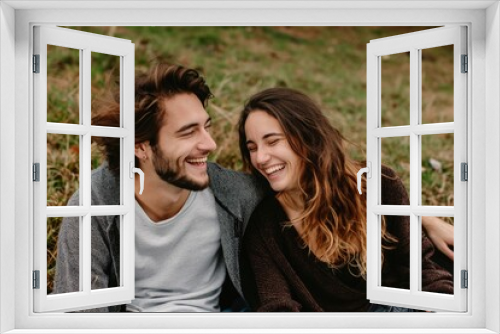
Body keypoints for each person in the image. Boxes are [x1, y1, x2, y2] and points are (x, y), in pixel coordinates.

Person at [55, 64, 453, 313]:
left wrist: (418, 214)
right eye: (188, 132)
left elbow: (322, 179)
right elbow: (79, 311)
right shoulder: (95, 205)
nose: (210, 146)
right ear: (141, 147)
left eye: (207, 126)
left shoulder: (236, 194)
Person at [237, 87, 454, 312]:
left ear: (307, 137)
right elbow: (276, 307)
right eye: (252, 148)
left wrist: (438, 313)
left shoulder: (377, 184)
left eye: (272, 142)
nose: (260, 158)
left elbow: (422, 271)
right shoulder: (264, 226)